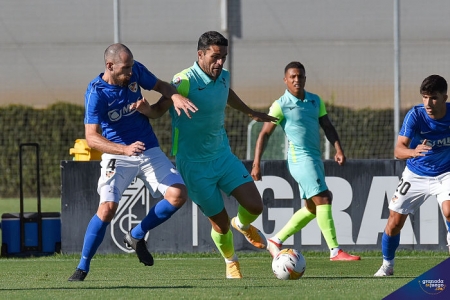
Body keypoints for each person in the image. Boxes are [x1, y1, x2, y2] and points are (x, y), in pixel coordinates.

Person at [151, 31, 278, 279]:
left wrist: (250, 112)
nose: (220, 63)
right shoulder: (183, 80)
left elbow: (226, 93)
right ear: (200, 54)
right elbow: (157, 110)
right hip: (195, 166)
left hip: (223, 156)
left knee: (255, 205)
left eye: (224, 57)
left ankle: (241, 224)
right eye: (216, 57)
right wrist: (140, 112)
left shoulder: (223, 77)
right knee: (219, 224)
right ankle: (231, 261)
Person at [68, 43, 198, 281]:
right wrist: (124, 149)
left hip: (147, 148)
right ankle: (82, 267)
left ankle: (136, 234)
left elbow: (160, 86)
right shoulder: (96, 92)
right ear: (110, 66)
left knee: (178, 194)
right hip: (118, 154)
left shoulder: (136, 71)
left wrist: (175, 95)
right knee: (107, 209)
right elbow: (91, 138)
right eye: (125, 68)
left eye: (131, 67)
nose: (130, 72)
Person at [251, 61, 361, 262]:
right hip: (300, 160)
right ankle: (335, 250)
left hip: (314, 158)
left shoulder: (315, 101)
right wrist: (256, 163)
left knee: (312, 208)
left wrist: (338, 148)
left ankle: (276, 240)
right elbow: (264, 134)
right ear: (285, 80)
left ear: (304, 78)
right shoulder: (280, 105)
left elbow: (327, 126)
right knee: (324, 198)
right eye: (292, 76)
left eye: (300, 76)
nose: (296, 80)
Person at [374, 74, 450, 276]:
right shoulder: (415, 115)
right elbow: (398, 150)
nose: (428, 103)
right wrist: (413, 152)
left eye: (433, 97)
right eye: (425, 97)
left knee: (449, 209)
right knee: (394, 223)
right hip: (416, 174)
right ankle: (387, 265)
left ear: (445, 97)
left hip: (446, 173)